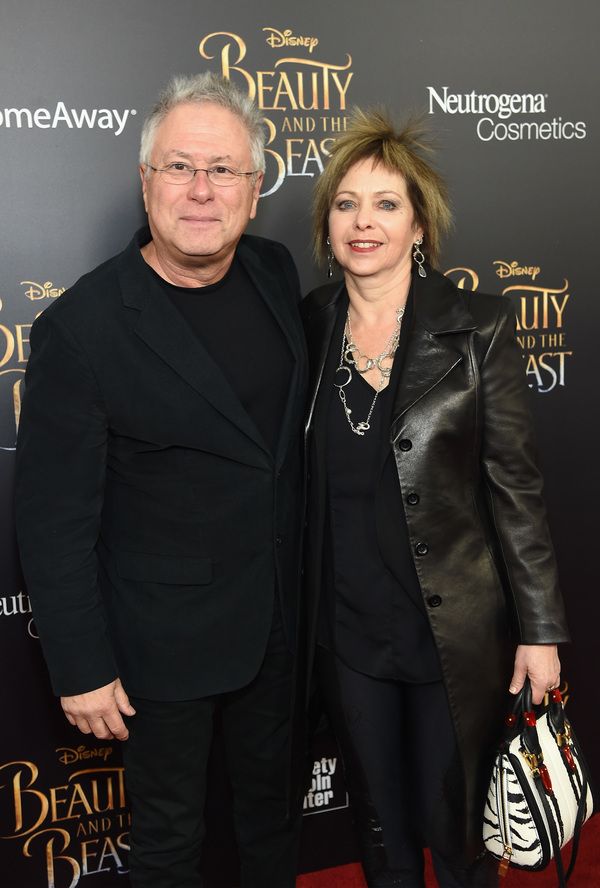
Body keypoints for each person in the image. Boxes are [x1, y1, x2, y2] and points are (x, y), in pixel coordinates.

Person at [15, 72, 307, 888]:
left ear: (256, 189)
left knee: (271, 827)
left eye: (225, 171)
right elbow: (53, 518)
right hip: (160, 647)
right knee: (172, 846)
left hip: (280, 630)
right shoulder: (83, 327)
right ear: (146, 182)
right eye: (180, 167)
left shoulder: (275, 273)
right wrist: (80, 663)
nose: (202, 191)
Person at [301, 108, 569, 888]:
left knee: (459, 838)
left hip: (454, 636)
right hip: (349, 636)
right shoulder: (311, 324)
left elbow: (516, 489)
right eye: (347, 204)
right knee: (380, 833)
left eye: (387, 204)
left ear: (419, 225)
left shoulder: (477, 327)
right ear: (327, 225)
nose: (364, 222)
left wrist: (540, 632)